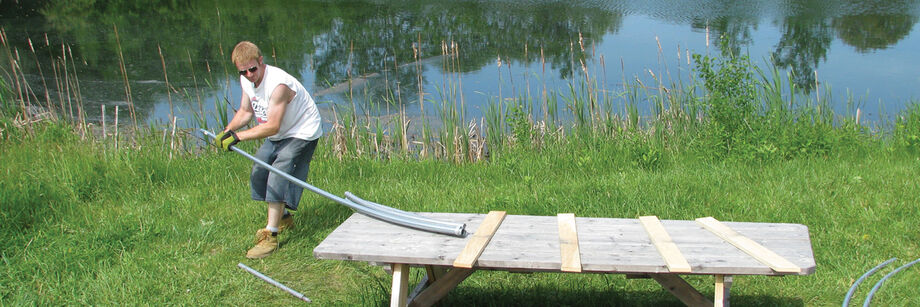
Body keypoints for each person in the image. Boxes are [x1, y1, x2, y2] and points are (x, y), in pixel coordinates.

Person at [216, 41, 323, 259]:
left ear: (261, 61)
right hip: (279, 131)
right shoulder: (246, 80)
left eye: (253, 69)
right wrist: (228, 131)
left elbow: (272, 125)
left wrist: (238, 137)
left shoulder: (278, 85)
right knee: (259, 171)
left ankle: (271, 236)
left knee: (278, 174)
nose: (249, 74)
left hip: (301, 131)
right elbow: (246, 112)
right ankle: (283, 218)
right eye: (243, 71)